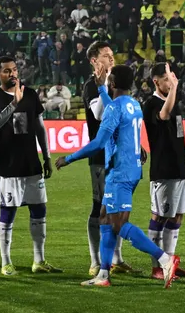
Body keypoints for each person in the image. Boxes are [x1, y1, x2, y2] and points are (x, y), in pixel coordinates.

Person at [55, 65, 177, 288]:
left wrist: (69, 158)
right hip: (131, 169)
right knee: (104, 218)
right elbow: (116, 111)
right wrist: (102, 89)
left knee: (119, 224)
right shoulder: (133, 104)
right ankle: (103, 273)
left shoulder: (115, 108)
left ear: (112, 83)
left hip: (119, 172)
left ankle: (165, 259)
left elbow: (99, 143)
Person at [0, 56, 58, 276]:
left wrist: (46, 156)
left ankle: (39, 260)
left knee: (39, 209)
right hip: (8, 165)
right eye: (7, 71)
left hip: (31, 163)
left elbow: (40, 127)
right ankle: (6, 262)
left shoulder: (31, 94)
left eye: (15, 70)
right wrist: (14, 104)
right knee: (8, 211)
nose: (13, 74)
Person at [143, 62, 185, 281]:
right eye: (167, 79)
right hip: (163, 169)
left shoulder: (174, 103)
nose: (171, 82)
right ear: (156, 81)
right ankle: (157, 267)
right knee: (159, 216)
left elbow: (178, 135)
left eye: (172, 78)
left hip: (178, 168)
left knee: (177, 216)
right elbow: (163, 116)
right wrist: (175, 89)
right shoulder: (151, 104)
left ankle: (169, 262)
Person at [82, 41, 134, 276]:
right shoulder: (91, 86)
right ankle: (95, 261)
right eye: (105, 55)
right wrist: (102, 85)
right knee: (99, 207)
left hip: (120, 155)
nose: (111, 58)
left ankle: (117, 259)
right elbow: (99, 114)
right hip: (100, 156)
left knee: (119, 207)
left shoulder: (115, 84)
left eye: (112, 54)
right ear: (94, 61)